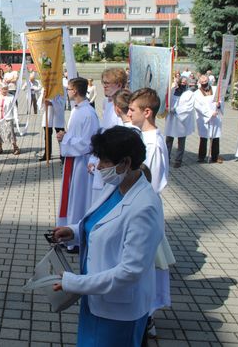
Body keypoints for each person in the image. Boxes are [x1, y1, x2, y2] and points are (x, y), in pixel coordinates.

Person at [51, 126, 164, 347]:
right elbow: (99, 221)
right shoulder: (117, 185)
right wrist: (74, 231)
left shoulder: (144, 207)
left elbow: (130, 271)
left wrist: (74, 283)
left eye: (105, 161)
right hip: (96, 297)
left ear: (126, 162)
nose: (100, 167)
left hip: (119, 311)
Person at [128, 88, 173, 336]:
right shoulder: (144, 137)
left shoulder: (153, 144)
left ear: (147, 112)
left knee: (146, 265)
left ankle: (146, 317)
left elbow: (149, 183)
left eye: (132, 110)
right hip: (141, 208)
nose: (128, 113)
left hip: (145, 212)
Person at [55, 78, 100, 232]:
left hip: (82, 162)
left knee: (79, 199)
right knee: (71, 197)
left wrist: (65, 138)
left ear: (74, 91)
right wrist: (66, 135)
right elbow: (77, 135)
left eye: (68, 89)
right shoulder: (76, 110)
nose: (67, 92)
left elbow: (88, 142)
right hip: (73, 160)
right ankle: (69, 230)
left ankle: (76, 235)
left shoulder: (89, 113)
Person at [165, 76, 195, 168]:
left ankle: (178, 160)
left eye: (185, 82)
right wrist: (168, 108)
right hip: (171, 118)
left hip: (181, 120)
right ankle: (166, 158)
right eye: (182, 82)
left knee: (181, 141)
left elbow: (189, 107)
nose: (183, 83)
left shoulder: (189, 94)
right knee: (169, 140)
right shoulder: (173, 91)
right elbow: (167, 100)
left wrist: (176, 110)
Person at [194, 75, 223, 163]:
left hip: (216, 116)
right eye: (202, 81)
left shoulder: (215, 90)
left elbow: (220, 99)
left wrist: (219, 105)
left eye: (205, 81)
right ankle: (201, 156)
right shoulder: (196, 93)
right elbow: (198, 106)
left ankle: (215, 156)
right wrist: (210, 114)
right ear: (199, 82)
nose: (204, 83)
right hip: (204, 118)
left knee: (215, 137)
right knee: (204, 137)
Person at [37, 85, 66, 161]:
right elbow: (40, 102)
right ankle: (47, 154)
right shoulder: (45, 87)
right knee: (47, 135)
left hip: (58, 115)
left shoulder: (61, 87)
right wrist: (43, 97)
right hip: (48, 114)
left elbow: (62, 102)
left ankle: (63, 153)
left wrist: (52, 102)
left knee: (60, 134)